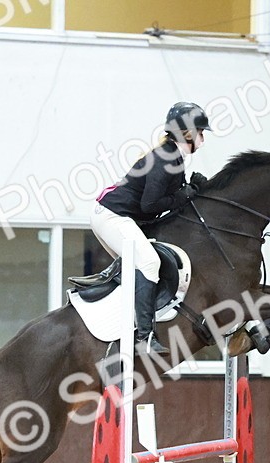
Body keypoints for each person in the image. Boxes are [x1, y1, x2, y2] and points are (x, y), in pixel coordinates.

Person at [88, 101, 211, 355]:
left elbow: (166, 201)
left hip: (118, 215)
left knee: (140, 269)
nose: (202, 139)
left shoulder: (172, 155)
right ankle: (143, 337)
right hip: (113, 216)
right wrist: (183, 195)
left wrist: (192, 192)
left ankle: (123, 326)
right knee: (149, 264)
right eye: (201, 133)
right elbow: (150, 204)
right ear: (187, 133)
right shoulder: (166, 158)